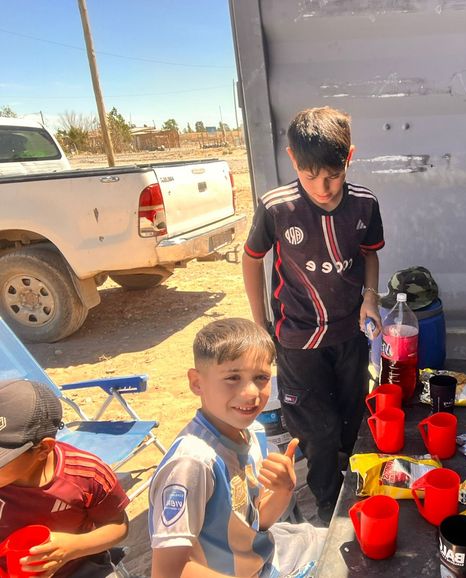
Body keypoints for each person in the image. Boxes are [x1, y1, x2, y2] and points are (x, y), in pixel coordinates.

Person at [242, 106, 384, 524]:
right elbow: (252, 260)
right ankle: (328, 502)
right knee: (317, 430)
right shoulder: (276, 207)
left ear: (350, 157)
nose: (323, 187)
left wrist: (370, 298)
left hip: (349, 335)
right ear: (292, 160)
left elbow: (369, 256)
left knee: (351, 416)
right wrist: (259, 324)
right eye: (309, 176)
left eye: (333, 176)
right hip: (296, 339)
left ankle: (350, 481)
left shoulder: (364, 205)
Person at [148, 318, 326, 578]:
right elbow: (168, 572)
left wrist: (282, 490)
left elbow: (255, 523)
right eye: (233, 377)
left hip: (265, 559)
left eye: (261, 378)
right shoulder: (192, 463)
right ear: (197, 382)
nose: (250, 393)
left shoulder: (251, 433)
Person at [0, 379, 130, 578]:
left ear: (43, 449)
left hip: (79, 567)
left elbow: (118, 525)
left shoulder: (86, 475)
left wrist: (72, 547)